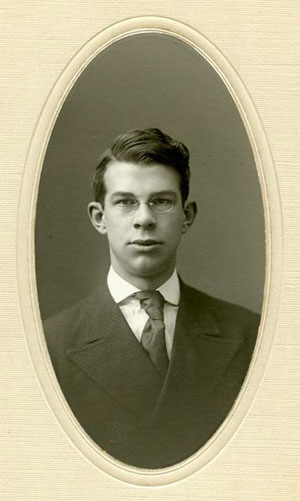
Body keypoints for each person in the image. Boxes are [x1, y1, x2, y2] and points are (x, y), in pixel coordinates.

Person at [44, 128, 260, 469]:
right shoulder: (49, 345)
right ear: (100, 218)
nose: (144, 219)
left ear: (186, 216)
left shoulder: (249, 335)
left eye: (161, 201)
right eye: (125, 202)